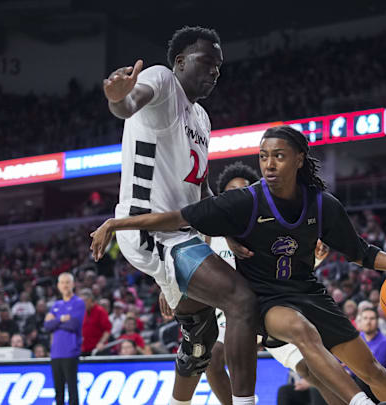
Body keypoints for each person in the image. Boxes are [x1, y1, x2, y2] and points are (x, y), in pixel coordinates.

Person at [90, 125, 386, 405]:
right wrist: (117, 223)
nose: (269, 164)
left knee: (376, 373)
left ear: (300, 159)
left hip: (308, 292)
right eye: (263, 157)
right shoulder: (244, 202)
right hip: (265, 300)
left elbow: (361, 252)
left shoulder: (323, 205)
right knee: (299, 335)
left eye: (279, 156)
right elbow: (177, 218)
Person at [103, 25, 259, 405]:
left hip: (181, 234)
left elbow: (201, 190)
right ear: (180, 61)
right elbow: (129, 103)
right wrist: (116, 98)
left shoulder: (202, 119)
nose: (215, 72)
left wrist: (223, 231)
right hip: (148, 229)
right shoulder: (161, 79)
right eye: (207, 62)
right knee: (241, 300)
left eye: (219, 67)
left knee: (201, 339)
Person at [194, 162, 341, 405]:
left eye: (243, 190)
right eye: (231, 191)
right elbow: (191, 267)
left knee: (308, 370)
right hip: (232, 313)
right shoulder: (212, 233)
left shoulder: (266, 228)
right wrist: (170, 293)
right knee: (212, 359)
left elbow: (284, 269)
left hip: (267, 304)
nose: (237, 195)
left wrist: (313, 259)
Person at [45, 273, 85, 405]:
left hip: (70, 351)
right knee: (58, 391)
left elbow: (74, 324)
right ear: (58, 286)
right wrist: (62, 319)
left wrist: (55, 321)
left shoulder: (78, 303)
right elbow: (47, 326)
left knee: (72, 390)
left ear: (73, 284)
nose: (65, 285)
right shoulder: (56, 305)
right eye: (62, 282)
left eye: (67, 282)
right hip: (55, 353)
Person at [354, 307, 386, 401]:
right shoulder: (355, 340)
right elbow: (340, 361)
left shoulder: (385, 342)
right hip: (355, 378)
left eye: (372, 318)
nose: (368, 322)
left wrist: (349, 366)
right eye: (365, 318)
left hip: (377, 383)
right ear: (360, 321)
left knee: (361, 379)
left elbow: (373, 368)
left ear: (377, 322)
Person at [78, 289, 111, 355]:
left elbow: (107, 330)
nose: (82, 303)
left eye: (84, 301)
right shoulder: (82, 312)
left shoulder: (100, 311)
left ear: (91, 300)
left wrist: (101, 342)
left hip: (98, 350)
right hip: (84, 349)